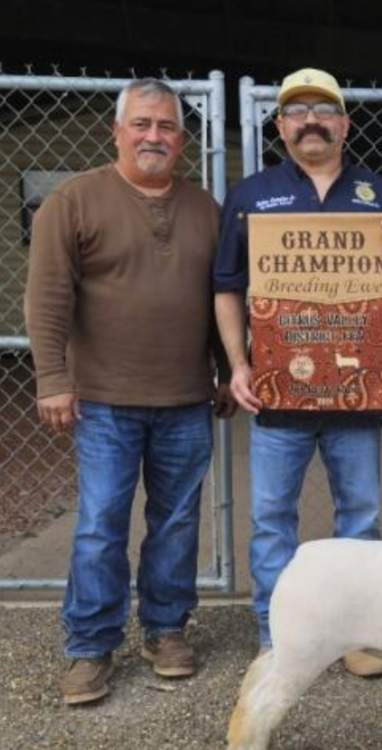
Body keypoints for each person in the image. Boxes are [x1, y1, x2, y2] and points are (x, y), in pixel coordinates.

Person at [25, 77, 234, 705]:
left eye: (167, 127)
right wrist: (53, 378)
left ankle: (166, 630)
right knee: (100, 523)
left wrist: (227, 368)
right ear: (116, 131)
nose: (154, 136)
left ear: (182, 139)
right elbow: (47, 296)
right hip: (104, 399)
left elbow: (221, 298)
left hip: (185, 398)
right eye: (142, 124)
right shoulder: (74, 200)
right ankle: (90, 645)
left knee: (176, 522)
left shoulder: (205, 209)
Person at [214, 67, 382, 677]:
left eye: (323, 111)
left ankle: (357, 635)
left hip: (354, 392)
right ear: (280, 125)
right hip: (281, 390)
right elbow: (227, 287)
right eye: (296, 112)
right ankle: (276, 637)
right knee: (272, 518)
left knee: (359, 514)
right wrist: (238, 364)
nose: (310, 121)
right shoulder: (252, 195)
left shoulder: (376, 192)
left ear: (344, 123)